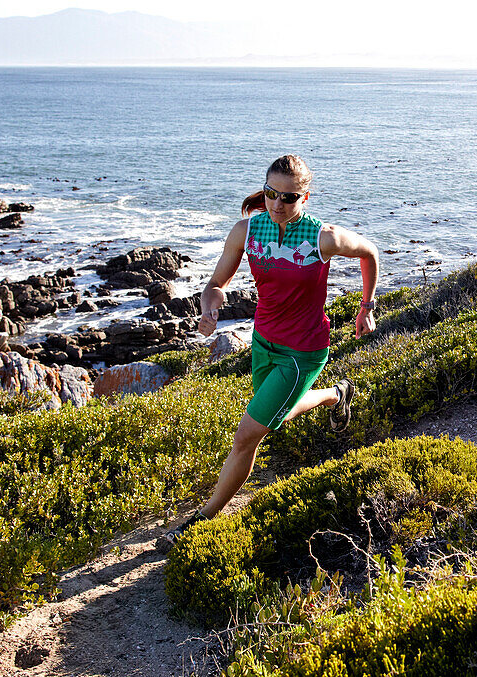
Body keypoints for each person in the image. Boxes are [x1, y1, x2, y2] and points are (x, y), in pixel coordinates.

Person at [157, 154, 379, 552]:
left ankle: (199, 522)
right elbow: (216, 282)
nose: (278, 204)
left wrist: (366, 307)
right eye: (271, 194)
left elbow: (370, 253)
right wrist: (211, 306)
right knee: (273, 417)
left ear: (305, 197)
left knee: (247, 436)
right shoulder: (247, 230)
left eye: (289, 198)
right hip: (264, 342)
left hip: (303, 350)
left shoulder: (322, 238)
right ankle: (336, 395)